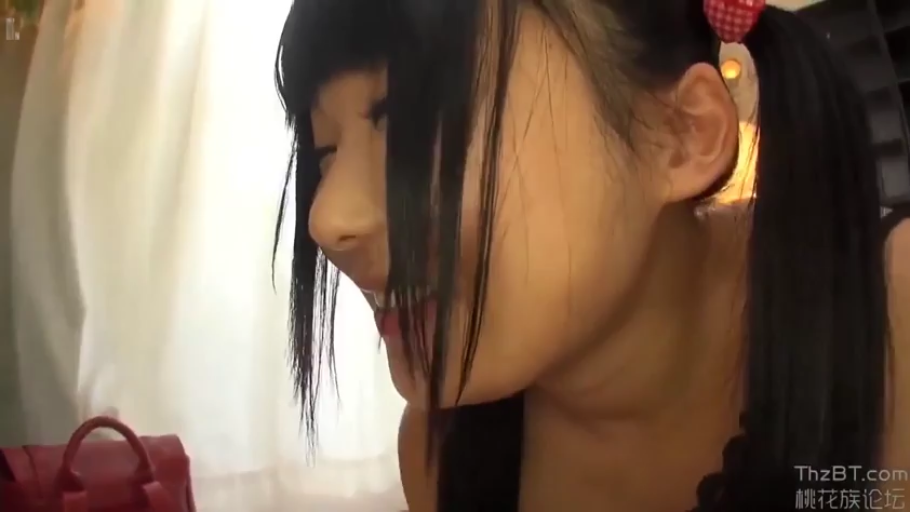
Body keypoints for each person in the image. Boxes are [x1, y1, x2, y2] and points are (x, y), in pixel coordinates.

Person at [273, 0, 910, 510]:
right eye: (325, 155)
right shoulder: (435, 456)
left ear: (682, 134)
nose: (327, 221)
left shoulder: (898, 316)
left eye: (414, 130)